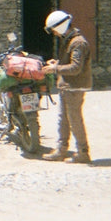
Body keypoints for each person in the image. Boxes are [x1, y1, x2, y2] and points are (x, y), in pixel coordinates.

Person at [41, 10, 93, 163]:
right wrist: (57, 63)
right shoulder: (70, 40)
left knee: (74, 119)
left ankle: (83, 152)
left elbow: (75, 68)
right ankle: (61, 150)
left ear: (60, 26)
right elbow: (68, 63)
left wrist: (55, 69)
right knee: (64, 119)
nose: (55, 34)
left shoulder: (78, 43)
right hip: (67, 86)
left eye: (55, 30)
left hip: (74, 87)